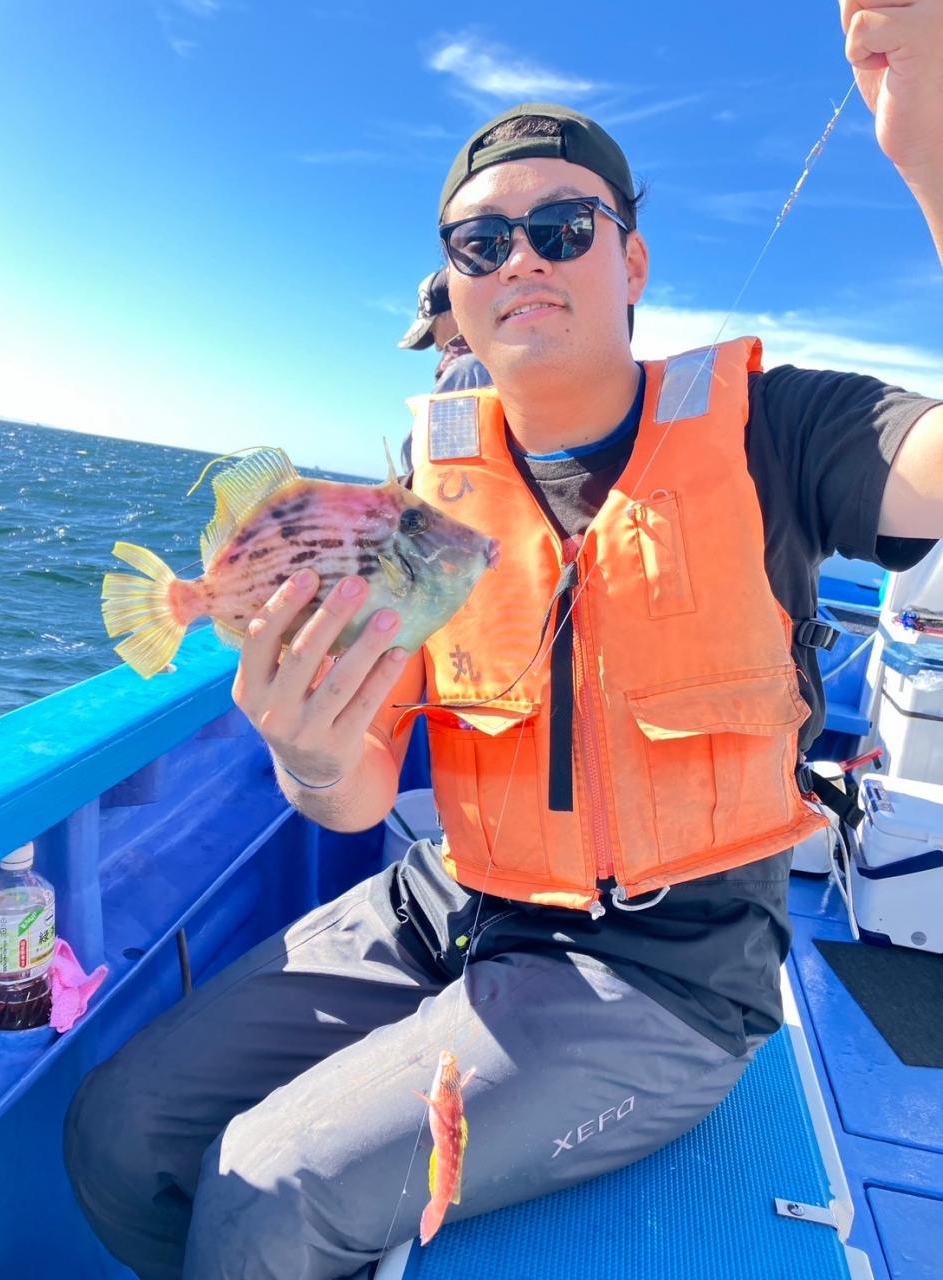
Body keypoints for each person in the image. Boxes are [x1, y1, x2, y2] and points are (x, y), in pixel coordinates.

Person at [65, 4, 943, 1278]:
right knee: (119, 1133)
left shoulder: (781, 428)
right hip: (456, 901)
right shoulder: (423, 507)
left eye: (564, 227)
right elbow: (354, 790)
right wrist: (307, 750)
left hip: (666, 964)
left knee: (269, 1194)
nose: (521, 257)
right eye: (482, 241)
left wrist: (930, 154)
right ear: (456, 289)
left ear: (633, 261)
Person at [398, 266, 492, 392]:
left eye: (433, 329)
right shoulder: (505, 358)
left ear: (455, 311)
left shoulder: (465, 371)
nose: (437, 346)